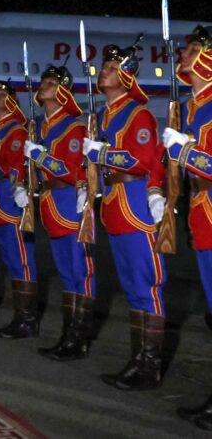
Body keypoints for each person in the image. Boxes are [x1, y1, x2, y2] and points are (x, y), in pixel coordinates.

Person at [83, 42, 167, 391]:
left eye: (110, 67)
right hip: (115, 207)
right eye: (103, 66)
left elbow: (142, 160)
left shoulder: (138, 114)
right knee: (132, 288)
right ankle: (138, 360)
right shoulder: (103, 116)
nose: (103, 71)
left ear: (126, 77)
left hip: (135, 204)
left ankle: (150, 365)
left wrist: (103, 153)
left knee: (147, 285)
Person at [25, 63, 96, 360]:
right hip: (52, 204)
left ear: (64, 91)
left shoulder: (74, 125)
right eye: (43, 81)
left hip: (69, 201)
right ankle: (68, 335)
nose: (44, 85)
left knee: (80, 273)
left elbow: (70, 170)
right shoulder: (42, 125)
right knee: (66, 274)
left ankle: (78, 338)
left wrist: (41, 157)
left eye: (51, 82)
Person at [164, 25, 212, 429]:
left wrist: (185, 152)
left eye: (193, 48)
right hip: (203, 216)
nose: (183, 53)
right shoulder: (196, 106)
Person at [0, 80, 39, 339]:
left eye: (3, 94)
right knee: (10, 259)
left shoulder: (16, 131)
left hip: (11, 199)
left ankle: (26, 320)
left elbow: (10, 168)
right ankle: (19, 317)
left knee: (20, 260)